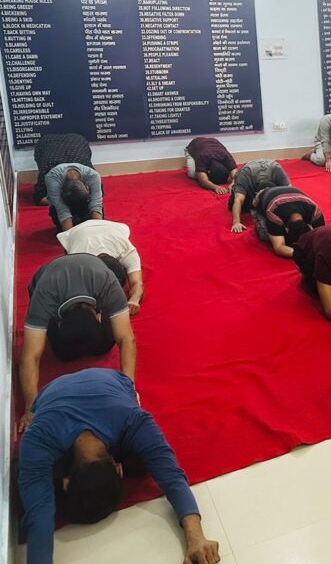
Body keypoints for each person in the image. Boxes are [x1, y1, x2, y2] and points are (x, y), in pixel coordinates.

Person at [19, 368, 221, 564]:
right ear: (118, 469)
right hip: (60, 392)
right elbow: (38, 515)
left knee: (142, 462)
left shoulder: (132, 419)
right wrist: (196, 538)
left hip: (109, 384)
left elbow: (39, 516)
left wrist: (196, 537)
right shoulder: (37, 436)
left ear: (66, 483)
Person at [19, 254, 136, 433]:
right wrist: (31, 408)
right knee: (63, 354)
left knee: (104, 343)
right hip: (45, 281)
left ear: (100, 316)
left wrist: (128, 387)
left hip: (94, 274)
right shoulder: (43, 297)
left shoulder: (107, 284)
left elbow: (126, 339)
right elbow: (30, 356)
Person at [57, 219, 145, 314]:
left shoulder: (127, 251)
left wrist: (134, 299)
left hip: (113, 228)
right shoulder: (77, 261)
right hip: (78, 231)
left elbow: (137, 283)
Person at [251, 185, 325, 259]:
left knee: (316, 235)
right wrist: (303, 255)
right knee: (266, 236)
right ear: (286, 229)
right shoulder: (274, 212)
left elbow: (323, 237)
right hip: (261, 197)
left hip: (287, 192)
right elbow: (278, 248)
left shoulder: (314, 210)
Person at [226, 159, 290, 234]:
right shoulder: (244, 175)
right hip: (247, 175)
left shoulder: (277, 170)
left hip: (269, 173)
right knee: (236, 204)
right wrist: (236, 222)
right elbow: (238, 200)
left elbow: (290, 192)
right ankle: (236, 188)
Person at [32, 133, 92, 206]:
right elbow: (40, 198)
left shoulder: (88, 169)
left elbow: (97, 192)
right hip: (45, 142)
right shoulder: (47, 170)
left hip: (77, 140)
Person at [43, 161, 103, 232]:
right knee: (62, 226)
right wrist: (69, 235)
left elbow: (95, 205)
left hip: (85, 204)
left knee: (94, 222)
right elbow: (61, 209)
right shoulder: (52, 178)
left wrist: (98, 230)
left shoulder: (93, 176)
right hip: (64, 202)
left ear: (87, 188)